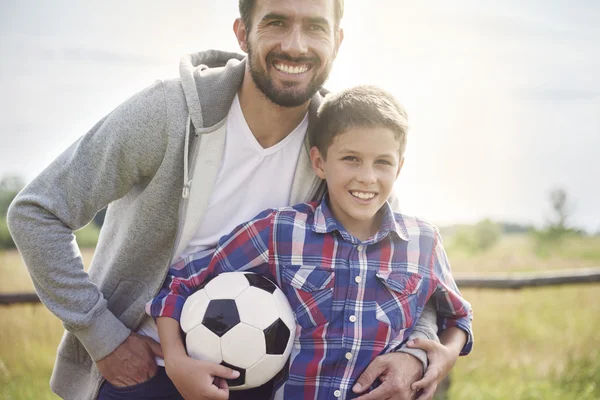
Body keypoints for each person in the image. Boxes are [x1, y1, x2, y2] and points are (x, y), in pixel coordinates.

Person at [7, 0, 464, 399]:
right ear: (242, 32)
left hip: (269, 382)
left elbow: (404, 264)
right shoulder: (169, 113)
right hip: (142, 370)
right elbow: (37, 212)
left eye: (315, 27)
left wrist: (417, 354)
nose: (297, 45)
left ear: (338, 40)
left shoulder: (346, 149)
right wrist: (103, 337)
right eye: (277, 22)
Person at [150, 85, 474, 400]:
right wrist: (177, 361)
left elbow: (457, 316)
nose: (367, 176)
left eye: (383, 162)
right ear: (319, 162)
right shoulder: (281, 232)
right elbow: (180, 280)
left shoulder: (423, 242)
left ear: (399, 167)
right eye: (351, 158)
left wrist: (444, 356)